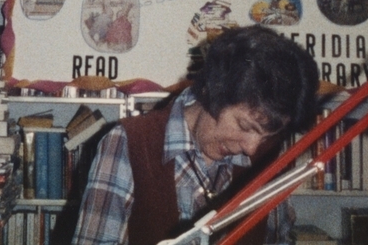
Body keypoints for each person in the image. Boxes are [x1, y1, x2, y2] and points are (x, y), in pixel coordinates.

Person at [71, 25, 319, 245]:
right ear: (214, 92)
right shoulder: (128, 144)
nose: (252, 148)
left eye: (266, 135)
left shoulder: (269, 156)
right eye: (245, 126)